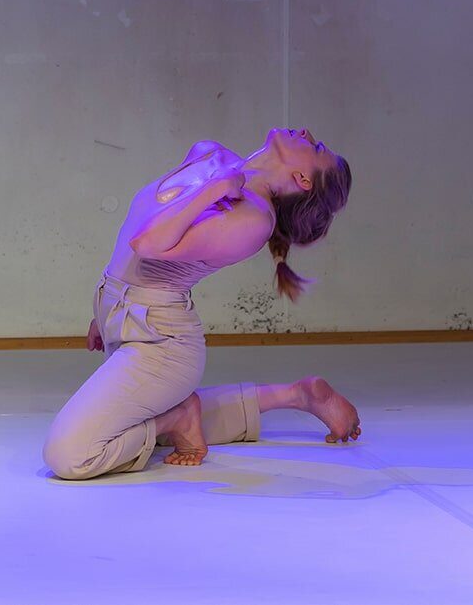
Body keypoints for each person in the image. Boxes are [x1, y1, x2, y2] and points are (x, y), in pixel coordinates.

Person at [43, 129, 357, 480]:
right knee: (133, 421)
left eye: (316, 147)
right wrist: (107, 310)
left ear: (303, 179)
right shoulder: (211, 153)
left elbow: (149, 243)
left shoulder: (254, 220)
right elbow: (141, 225)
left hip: (161, 343)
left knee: (70, 455)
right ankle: (296, 395)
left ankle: (178, 418)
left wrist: (215, 188)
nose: (306, 133)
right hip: (130, 318)